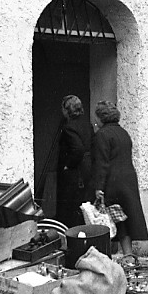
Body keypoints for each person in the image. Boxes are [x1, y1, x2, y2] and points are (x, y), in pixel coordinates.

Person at [90, 101, 148, 254]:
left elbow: (102, 163)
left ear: (101, 118)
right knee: (124, 219)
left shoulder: (101, 135)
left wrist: (99, 188)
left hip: (113, 182)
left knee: (113, 219)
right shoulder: (124, 133)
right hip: (128, 180)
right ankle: (127, 254)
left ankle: (112, 256)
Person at [55, 95, 94, 228]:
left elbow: (78, 149)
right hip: (88, 170)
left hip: (75, 173)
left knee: (71, 208)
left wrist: (67, 165)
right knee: (83, 207)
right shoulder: (87, 124)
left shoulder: (69, 127)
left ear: (66, 110)